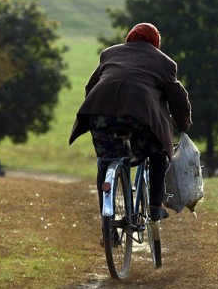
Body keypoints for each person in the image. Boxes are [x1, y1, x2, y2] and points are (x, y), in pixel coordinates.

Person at [69, 22, 192, 221]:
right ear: (155, 42)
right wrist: (183, 125)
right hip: (139, 119)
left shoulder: (109, 54)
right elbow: (178, 99)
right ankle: (154, 206)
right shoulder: (165, 63)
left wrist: (97, 114)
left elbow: (91, 87)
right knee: (157, 152)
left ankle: (106, 223)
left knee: (105, 161)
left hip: (100, 115)